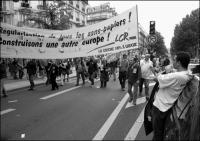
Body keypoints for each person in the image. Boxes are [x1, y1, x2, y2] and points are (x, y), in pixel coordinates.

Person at [151, 52, 191, 140]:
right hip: (168, 107)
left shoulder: (176, 76)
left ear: (179, 63)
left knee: (158, 134)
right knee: (162, 132)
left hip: (160, 107)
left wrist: (163, 72)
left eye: (174, 60)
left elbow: (156, 78)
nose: (173, 62)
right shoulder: (187, 74)